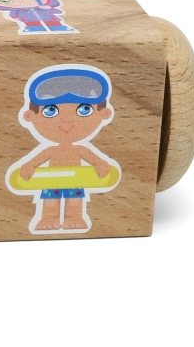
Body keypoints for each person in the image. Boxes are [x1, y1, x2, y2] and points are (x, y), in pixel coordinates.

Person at [7, 65, 120, 233]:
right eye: (50, 110)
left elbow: (94, 159)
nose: (66, 120)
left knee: (75, 202)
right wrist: (29, 165)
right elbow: (37, 160)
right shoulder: (51, 150)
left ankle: (74, 218)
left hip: (75, 180)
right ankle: (48, 218)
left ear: (104, 114)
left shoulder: (80, 149)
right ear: (29, 116)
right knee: (50, 202)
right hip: (51, 180)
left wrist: (100, 163)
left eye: (84, 109)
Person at [0, 0, 76, 34]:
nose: (21, 3)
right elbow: (14, 16)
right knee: (33, 26)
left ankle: (60, 28)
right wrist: (18, 18)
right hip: (29, 22)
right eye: (4, 1)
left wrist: (48, 7)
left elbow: (57, 11)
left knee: (55, 24)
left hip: (52, 20)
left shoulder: (43, 7)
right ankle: (32, 29)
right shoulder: (17, 10)